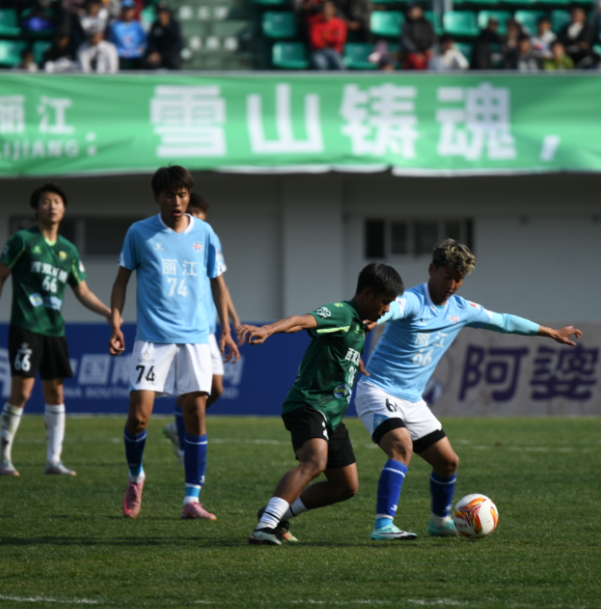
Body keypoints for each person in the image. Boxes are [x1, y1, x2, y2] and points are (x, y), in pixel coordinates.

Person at [354, 240, 581, 541]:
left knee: (448, 462)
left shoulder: (461, 310)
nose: (452, 285)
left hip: (412, 401)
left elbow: (504, 322)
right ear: (432, 269)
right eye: (447, 276)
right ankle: (383, 526)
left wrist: (549, 332)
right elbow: (386, 310)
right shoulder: (412, 301)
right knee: (401, 447)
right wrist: (364, 328)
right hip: (378, 390)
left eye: (458, 279)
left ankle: (439, 521)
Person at [108, 166, 239, 522]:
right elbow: (120, 282)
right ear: (157, 198)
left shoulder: (205, 233)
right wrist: (115, 321)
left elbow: (218, 283)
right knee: (139, 418)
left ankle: (191, 499)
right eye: (170, 195)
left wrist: (225, 330)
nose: (177, 202)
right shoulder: (139, 233)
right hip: (152, 339)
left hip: (195, 338)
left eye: (182, 195)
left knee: (196, 414)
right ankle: (135, 476)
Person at [242, 263, 404, 546]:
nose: (386, 309)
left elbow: (340, 347)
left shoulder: (359, 324)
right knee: (315, 461)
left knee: (346, 486)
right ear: (367, 293)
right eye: (385, 302)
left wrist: (353, 360)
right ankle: (265, 526)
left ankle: (278, 515)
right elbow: (301, 320)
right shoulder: (342, 312)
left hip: (333, 415)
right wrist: (268, 329)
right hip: (309, 403)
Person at [0, 183, 112, 478]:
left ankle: (53, 461)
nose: (52, 205)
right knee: (22, 392)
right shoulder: (22, 240)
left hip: (55, 330)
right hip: (26, 327)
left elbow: (82, 291)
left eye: (57, 201)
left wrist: (108, 312)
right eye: (45, 201)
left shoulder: (68, 250)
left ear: (64, 209)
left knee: (56, 392)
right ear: (35, 208)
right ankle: (3, 459)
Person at [162, 192, 241, 462]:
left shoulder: (208, 239)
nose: (195, 217)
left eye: (199, 214)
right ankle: (184, 442)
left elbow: (221, 285)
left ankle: (178, 425)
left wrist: (233, 320)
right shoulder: (173, 241)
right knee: (190, 390)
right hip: (184, 329)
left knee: (216, 389)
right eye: (191, 213)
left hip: (207, 329)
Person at [109, 0, 147, 69]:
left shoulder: (138, 26)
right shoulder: (114, 26)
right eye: (125, 10)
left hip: (135, 54)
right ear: (122, 10)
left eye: (130, 10)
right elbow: (111, 42)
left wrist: (141, 49)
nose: (127, 12)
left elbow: (143, 42)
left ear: (134, 11)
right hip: (120, 54)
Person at [144, 3, 183, 69]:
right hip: (159, 53)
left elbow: (176, 41)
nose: (162, 15)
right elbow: (152, 41)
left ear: (168, 13)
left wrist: (167, 27)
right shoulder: (155, 25)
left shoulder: (175, 24)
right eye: (160, 13)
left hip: (172, 52)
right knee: (151, 64)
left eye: (164, 13)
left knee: (174, 64)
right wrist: (154, 52)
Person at [401, 2, 435, 70]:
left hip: (426, 52)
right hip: (413, 53)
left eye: (415, 9)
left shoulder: (427, 24)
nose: (412, 12)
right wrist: (416, 52)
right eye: (410, 10)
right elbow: (406, 41)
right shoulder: (406, 25)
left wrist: (430, 48)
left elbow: (433, 38)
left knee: (433, 59)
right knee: (416, 61)